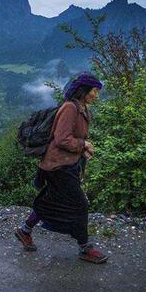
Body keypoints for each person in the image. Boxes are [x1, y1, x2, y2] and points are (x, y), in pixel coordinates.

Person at [15, 73, 108, 264]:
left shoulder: (82, 109)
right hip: (58, 166)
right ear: (83, 91)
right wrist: (84, 145)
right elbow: (62, 138)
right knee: (80, 204)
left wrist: (81, 151)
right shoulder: (69, 108)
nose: (96, 95)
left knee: (50, 201)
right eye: (94, 91)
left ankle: (25, 230)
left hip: (65, 164)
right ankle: (84, 248)